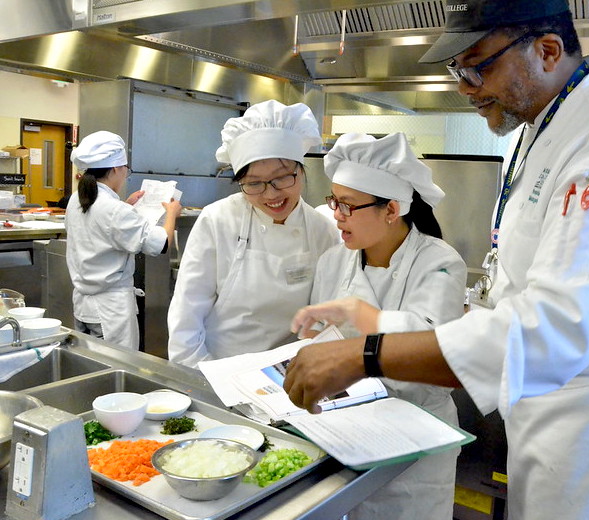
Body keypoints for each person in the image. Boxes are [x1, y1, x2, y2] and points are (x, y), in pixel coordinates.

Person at [283, 2, 589, 519]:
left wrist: (363, 356)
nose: (464, 85)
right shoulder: (538, 125)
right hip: (545, 406)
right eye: (456, 70)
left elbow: (555, 329)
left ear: (547, 51)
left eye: (477, 65)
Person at [291, 132, 467, 520]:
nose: (336, 214)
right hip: (347, 433)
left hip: (416, 445)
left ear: (391, 209)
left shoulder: (440, 262)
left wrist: (359, 316)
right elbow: (326, 344)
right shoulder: (333, 261)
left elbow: (429, 351)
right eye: (334, 201)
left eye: (348, 206)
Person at [167, 100, 339, 367]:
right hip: (219, 366)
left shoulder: (323, 230)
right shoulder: (217, 220)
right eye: (254, 183)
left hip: (289, 372)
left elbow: (324, 317)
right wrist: (197, 375)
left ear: (301, 171)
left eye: (282, 178)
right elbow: (187, 312)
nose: (271, 194)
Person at [66, 131, 181, 350]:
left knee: (91, 366)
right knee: (115, 370)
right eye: (126, 170)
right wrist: (172, 213)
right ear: (117, 168)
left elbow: (99, 227)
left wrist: (127, 205)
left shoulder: (77, 199)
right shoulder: (112, 209)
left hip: (84, 306)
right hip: (110, 311)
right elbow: (161, 243)